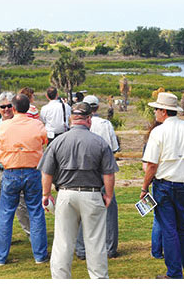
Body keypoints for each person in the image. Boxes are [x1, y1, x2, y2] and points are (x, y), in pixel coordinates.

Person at [39, 102, 118, 279]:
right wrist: (109, 195)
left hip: (65, 194)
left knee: (63, 243)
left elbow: (46, 171)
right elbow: (109, 174)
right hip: (92, 194)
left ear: (71, 120)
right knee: (95, 242)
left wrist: (46, 194)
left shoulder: (58, 142)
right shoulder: (99, 142)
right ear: (89, 119)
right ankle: (99, 279)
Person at [141, 92, 184, 279]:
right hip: (183, 185)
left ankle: (173, 273)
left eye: (156, 109)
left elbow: (151, 165)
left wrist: (144, 187)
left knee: (169, 229)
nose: (155, 112)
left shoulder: (159, 132)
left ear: (164, 111)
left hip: (163, 185)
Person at [0, 93, 49, 266]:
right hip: (33, 172)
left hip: (11, 172)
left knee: (5, 215)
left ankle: (1, 257)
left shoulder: (4, 126)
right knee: (36, 213)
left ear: (14, 108)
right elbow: (44, 141)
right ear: (29, 106)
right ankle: (40, 255)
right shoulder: (37, 125)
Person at [0, 92, 31, 249]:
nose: (7, 109)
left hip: (17, 171)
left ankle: (33, 238)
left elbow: (26, 145)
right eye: (3, 107)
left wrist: (2, 144)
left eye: (10, 105)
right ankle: (1, 240)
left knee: (22, 206)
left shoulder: (23, 124)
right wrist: (10, 144)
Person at [75, 95, 120, 260]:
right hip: (104, 171)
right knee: (109, 209)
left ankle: (81, 249)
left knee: (82, 210)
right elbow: (114, 147)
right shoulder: (105, 124)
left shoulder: (77, 126)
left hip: (84, 172)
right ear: (97, 107)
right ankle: (109, 248)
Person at [143, 120, 163, 259]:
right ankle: (157, 250)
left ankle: (157, 250)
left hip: (158, 180)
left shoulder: (150, 143)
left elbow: (146, 165)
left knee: (159, 218)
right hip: (162, 180)